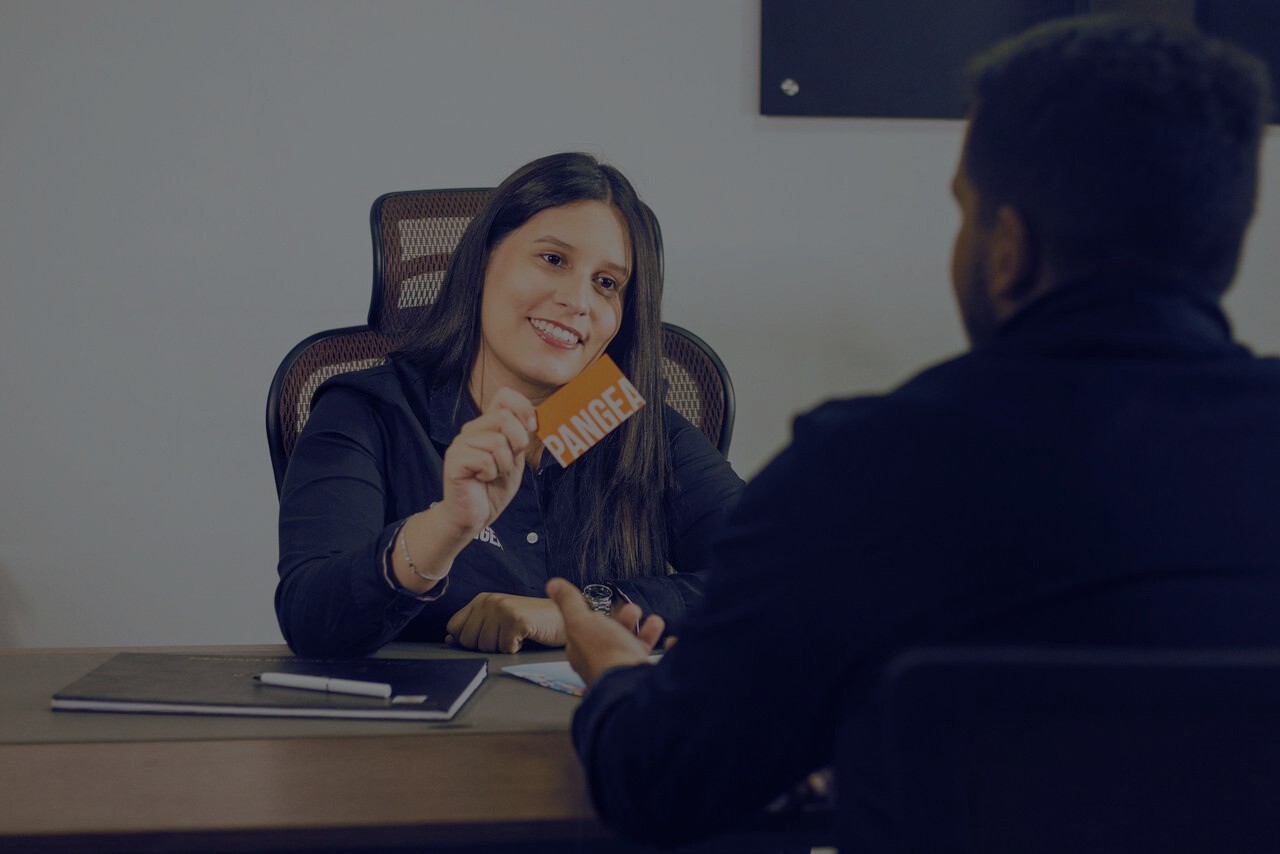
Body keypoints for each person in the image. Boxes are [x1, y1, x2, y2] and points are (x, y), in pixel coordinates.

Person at [548, 15, 1280, 849]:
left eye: (966, 211)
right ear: (1221, 245)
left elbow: (664, 783)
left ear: (1009, 249)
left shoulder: (859, 472)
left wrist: (610, 678)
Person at [275, 152, 743, 657]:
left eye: (607, 283)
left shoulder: (636, 424)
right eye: (553, 259)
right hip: (419, 730)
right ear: (483, 260)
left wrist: (581, 612)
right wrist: (445, 527)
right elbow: (311, 620)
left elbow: (785, 575)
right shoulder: (366, 412)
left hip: (595, 724)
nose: (577, 300)